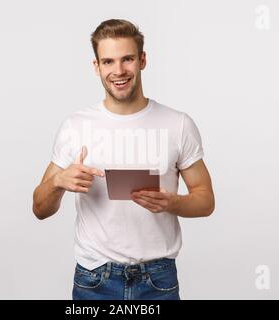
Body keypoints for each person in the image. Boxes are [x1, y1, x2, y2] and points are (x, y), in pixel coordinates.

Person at [32, 19, 215, 300]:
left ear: (142, 60)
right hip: (94, 279)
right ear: (96, 67)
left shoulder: (178, 124)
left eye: (127, 59)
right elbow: (39, 209)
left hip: (158, 280)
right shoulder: (75, 126)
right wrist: (58, 181)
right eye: (108, 61)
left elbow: (206, 200)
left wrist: (173, 202)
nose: (118, 71)